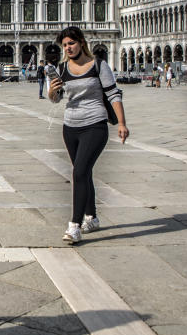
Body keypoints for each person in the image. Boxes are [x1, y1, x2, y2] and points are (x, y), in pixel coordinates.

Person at [47, 26, 129, 245]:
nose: (68, 48)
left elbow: (113, 94)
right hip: (70, 126)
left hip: (95, 125)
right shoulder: (62, 68)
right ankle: (91, 217)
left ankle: (74, 226)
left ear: (81, 42)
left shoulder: (99, 66)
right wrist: (51, 92)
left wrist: (121, 123)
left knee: (79, 171)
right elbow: (57, 99)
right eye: (64, 45)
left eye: (71, 43)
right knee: (83, 173)